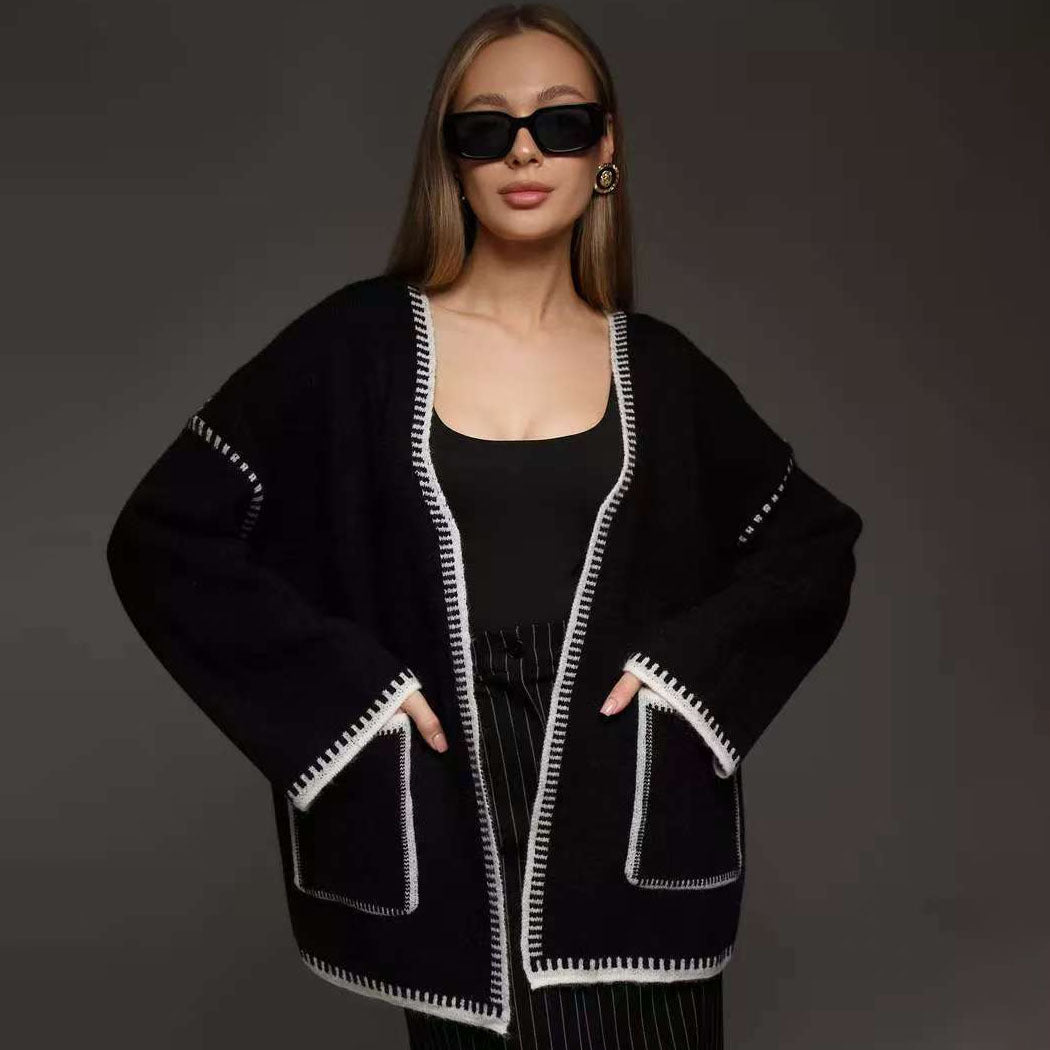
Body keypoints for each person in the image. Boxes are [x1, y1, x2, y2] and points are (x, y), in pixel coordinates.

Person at [106, 5, 863, 1049]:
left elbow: (811, 546)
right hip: (447, 793)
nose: (523, 151)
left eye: (560, 122)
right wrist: (352, 696)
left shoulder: (663, 370)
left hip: (620, 802)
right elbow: (163, 539)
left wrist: (686, 682)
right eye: (486, 127)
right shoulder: (357, 346)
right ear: (450, 159)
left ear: (604, 148)